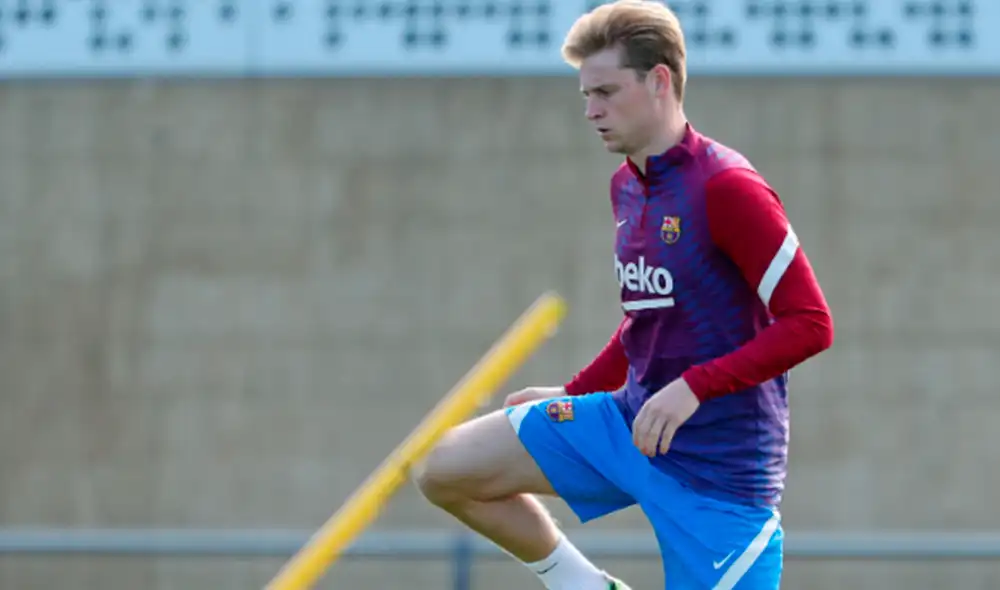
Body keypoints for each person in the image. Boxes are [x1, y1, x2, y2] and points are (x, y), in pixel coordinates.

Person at [413, 0, 835, 588]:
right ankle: (586, 585)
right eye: (586, 95)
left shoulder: (728, 187)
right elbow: (648, 319)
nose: (591, 111)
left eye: (606, 92)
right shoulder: (627, 189)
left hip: (717, 479)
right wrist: (576, 391)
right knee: (446, 469)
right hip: (628, 424)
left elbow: (811, 323)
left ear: (659, 80)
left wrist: (693, 388)